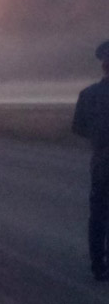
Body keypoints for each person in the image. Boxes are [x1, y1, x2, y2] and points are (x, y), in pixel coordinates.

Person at [73, 39, 109, 281]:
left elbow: (79, 128)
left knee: (98, 214)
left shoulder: (87, 94)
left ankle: (98, 265)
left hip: (101, 162)